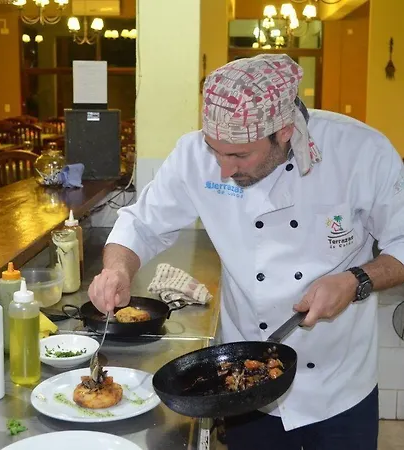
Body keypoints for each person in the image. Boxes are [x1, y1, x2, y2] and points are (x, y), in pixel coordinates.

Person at [88, 54, 404, 449]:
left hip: (339, 383)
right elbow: (141, 224)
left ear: (284, 131)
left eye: (239, 155)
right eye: (215, 151)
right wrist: (117, 269)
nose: (223, 169)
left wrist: (355, 281)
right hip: (245, 383)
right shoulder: (193, 155)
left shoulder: (360, 152)